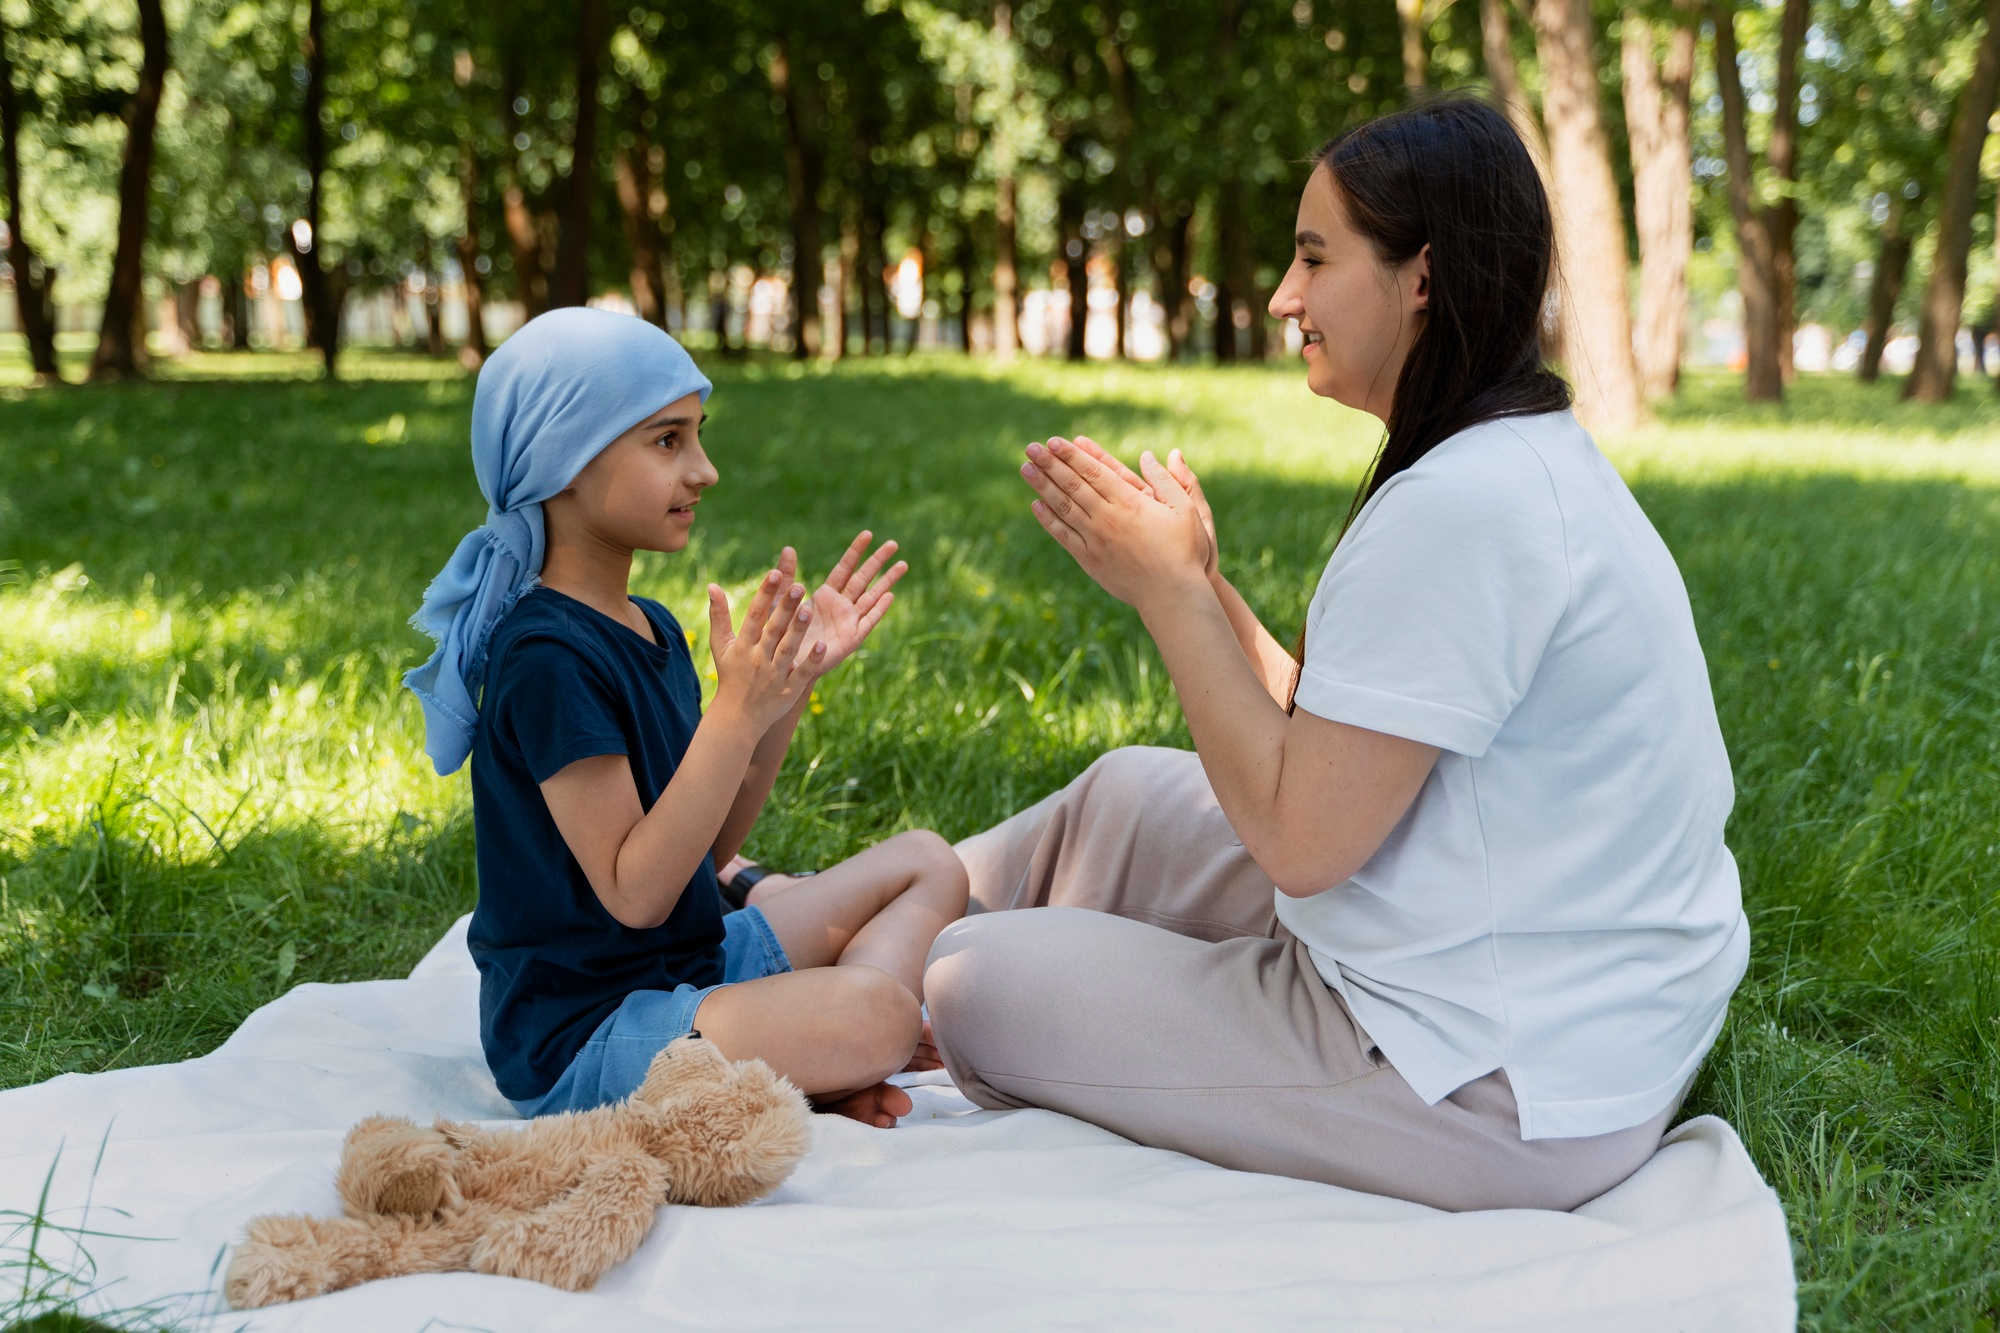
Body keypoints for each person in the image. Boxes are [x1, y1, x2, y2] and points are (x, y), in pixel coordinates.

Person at [924, 95, 1749, 1210]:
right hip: (1505, 978)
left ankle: (834, 975)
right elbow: (1337, 731)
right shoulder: (1497, 462)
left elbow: (1300, 841)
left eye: (1313, 258)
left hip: (1489, 1083)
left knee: (972, 985)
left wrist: (1170, 598)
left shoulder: (1464, 505)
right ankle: (800, 924)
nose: (1281, 296)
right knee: (1118, 797)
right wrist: (1203, 578)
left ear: (1422, 277)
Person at [405, 308, 967, 1129]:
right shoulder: (546, 659)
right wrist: (733, 716)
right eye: (668, 441)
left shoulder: (652, 626)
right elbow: (636, 892)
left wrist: (782, 695)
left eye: (698, 436)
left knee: (927, 861)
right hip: (587, 1036)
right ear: (563, 457)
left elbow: (708, 852)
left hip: (687, 971)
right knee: (876, 1014)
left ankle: (825, 1054)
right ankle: (842, 1047)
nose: (704, 469)